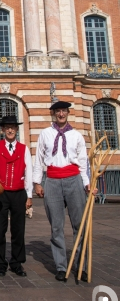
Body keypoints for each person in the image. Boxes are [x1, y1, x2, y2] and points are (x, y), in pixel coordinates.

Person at [33, 101, 90, 282]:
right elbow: (39, 158)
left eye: (63, 111)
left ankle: (81, 265)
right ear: (53, 114)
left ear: (67, 113)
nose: (61, 114)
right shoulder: (45, 134)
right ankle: (60, 266)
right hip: (53, 180)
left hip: (74, 179)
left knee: (79, 226)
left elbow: (83, 162)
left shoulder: (76, 136)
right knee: (56, 226)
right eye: (57, 111)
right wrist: (37, 182)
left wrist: (87, 183)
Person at [0, 115, 33, 277]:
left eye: (13, 127)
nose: (10, 130)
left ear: (16, 130)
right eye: (7, 127)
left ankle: (17, 263)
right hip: (0, 195)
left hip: (19, 193)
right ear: (2, 130)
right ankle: (0, 263)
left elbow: (29, 172)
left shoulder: (24, 149)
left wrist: (29, 195)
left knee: (18, 230)